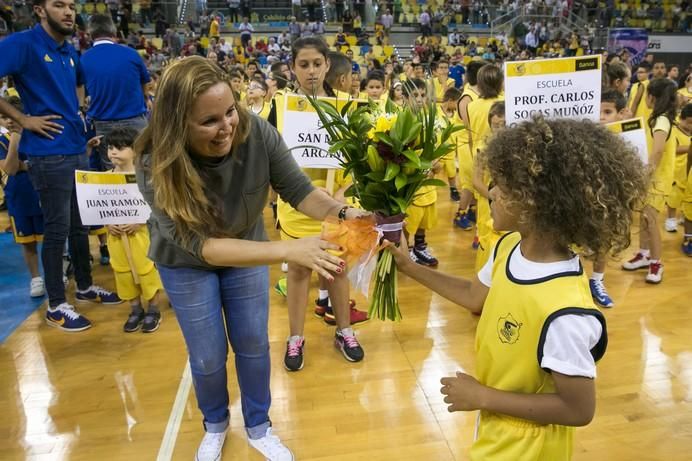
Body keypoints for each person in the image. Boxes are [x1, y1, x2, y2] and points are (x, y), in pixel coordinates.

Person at [135, 56, 366, 460]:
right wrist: (288, 249)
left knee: (254, 342)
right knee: (207, 354)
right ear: (177, 125)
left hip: (247, 247)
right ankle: (216, 423)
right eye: (209, 121)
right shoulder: (154, 161)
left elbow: (298, 190)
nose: (226, 126)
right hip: (186, 263)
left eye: (230, 111)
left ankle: (258, 425)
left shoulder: (256, 131)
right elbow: (202, 246)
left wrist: (344, 213)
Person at [385, 117, 648, 460]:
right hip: (498, 426)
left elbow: (579, 409)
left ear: (535, 201)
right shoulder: (508, 246)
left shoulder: (565, 313)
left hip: (530, 447)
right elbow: (472, 296)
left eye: (503, 186)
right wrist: (409, 267)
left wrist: (482, 397)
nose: (490, 192)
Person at [0, 0, 120, 332]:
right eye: (59, 5)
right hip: (47, 153)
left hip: (75, 148)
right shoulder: (22, 44)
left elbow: (80, 84)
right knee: (56, 230)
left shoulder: (68, 50)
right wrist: (23, 118)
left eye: (70, 6)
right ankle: (56, 304)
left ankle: (83, 286)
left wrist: (79, 112)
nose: (68, 12)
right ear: (40, 10)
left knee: (79, 225)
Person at [272, 37, 367, 371]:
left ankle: (344, 330)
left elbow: (362, 160)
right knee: (298, 270)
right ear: (293, 68)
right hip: (297, 205)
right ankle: (295, 338)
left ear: (327, 64)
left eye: (316, 63)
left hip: (337, 203)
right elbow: (271, 155)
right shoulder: (280, 105)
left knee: (337, 270)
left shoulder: (348, 105)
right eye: (303, 64)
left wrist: (342, 194)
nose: (311, 71)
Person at [622, 78, 678, 283]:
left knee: (651, 221)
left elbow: (658, 152)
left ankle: (657, 263)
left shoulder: (662, 121)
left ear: (652, 97)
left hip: (657, 180)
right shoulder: (658, 118)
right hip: (651, 178)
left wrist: (645, 175)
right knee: (643, 218)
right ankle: (644, 254)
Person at [81, 14, 151, 171]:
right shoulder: (131, 54)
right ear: (114, 33)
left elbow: (81, 94)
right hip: (136, 121)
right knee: (145, 171)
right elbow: (145, 87)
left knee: (114, 175)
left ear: (90, 34)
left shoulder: (83, 59)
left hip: (104, 124)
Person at [0, 96, 45, 298]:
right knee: (27, 242)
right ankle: (35, 278)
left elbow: (42, 164)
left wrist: (24, 166)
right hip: (17, 197)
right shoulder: (3, 140)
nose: (9, 121)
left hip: (42, 192)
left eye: (12, 117)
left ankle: (58, 270)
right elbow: (10, 168)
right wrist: (15, 140)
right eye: (3, 117)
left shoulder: (37, 134)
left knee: (52, 238)